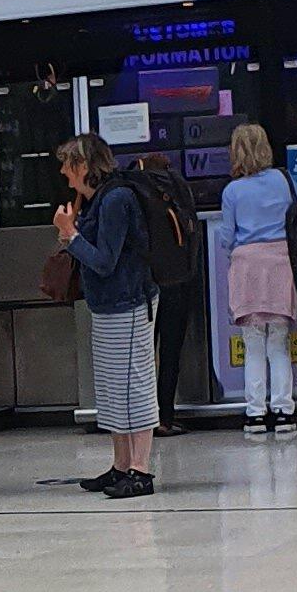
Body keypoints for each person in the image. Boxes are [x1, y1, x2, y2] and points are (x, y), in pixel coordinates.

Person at [53, 135, 158, 496]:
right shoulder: (99, 199)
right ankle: (120, 465)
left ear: (83, 166)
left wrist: (71, 235)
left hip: (128, 303)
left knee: (134, 386)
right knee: (114, 390)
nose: (64, 173)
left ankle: (140, 470)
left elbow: (105, 260)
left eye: (68, 164)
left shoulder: (116, 200)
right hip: (108, 306)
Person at [211, 118, 297, 431]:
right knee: (279, 342)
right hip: (280, 263)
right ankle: (284, 410)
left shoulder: (232, 191)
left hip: (247, 266)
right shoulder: (283, 180)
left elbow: (227, 236)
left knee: (252, 344)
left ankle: (255, 413)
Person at [134, 150, 203, 425]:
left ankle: (143, 420)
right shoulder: (178, 187)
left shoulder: (135, 188)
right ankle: (165, 417)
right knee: (171, 352)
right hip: (178, 280)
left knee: (143, 354)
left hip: (145, 283)